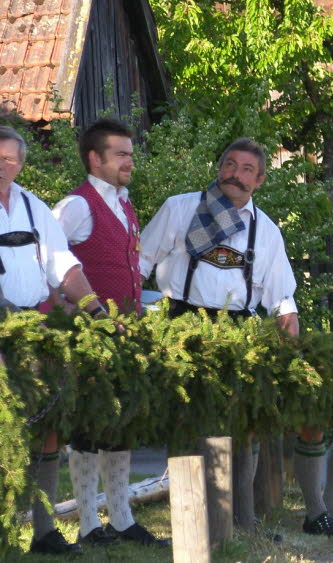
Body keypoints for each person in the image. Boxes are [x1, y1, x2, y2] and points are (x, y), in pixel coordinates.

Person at [138, 138, 299, 529]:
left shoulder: (267, 232)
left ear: (259, 180)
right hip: (182, 326)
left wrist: (291, 344)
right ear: (218, 167)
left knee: (241, 428)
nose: (235, 174)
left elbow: (282, 298)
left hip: (238, 332)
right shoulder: (180, 208)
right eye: (230, 164)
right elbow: (139, 259)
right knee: (190, 426)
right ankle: (192, 521)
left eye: (247, 170)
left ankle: (241, 519)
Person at [52, 118, 170, 547]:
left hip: (124, 338)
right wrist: (68, 307)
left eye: (130, 154)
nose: (129, 161)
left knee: (121, 425)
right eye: (120, 154)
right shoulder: (76, 206)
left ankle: (121, 519)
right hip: (89, 338)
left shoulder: (124, 204)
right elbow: (44, 258)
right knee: (87, 427)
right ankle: (87, 524)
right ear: (94, 158)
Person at [0, 126, 107, 555]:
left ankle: (43, 531)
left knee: (46, 428)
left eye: (10, 159)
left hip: (32, 330)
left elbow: (64, 267)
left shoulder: (32, 207)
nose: (3, 166)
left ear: (22, 164)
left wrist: (97, 311)